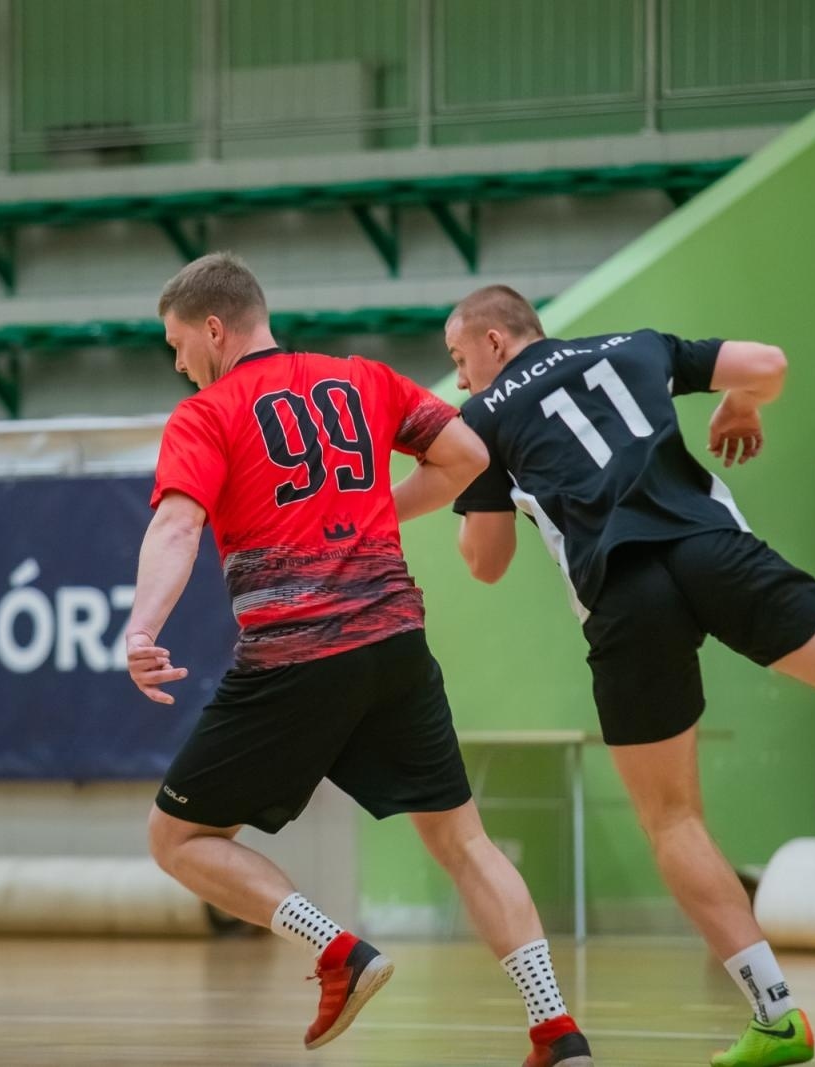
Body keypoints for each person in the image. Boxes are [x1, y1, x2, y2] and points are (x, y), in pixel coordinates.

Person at [443, 285, 815, 1067]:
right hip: (710, 548)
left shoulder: (478, 422)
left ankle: (777, 1013)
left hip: (624, 598)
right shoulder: (635, 343)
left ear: (494, 341)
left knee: (672, 820)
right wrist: (740, 406)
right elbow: (768, 364)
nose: (460, 381)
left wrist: (469, 501)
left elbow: (486, 564)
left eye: (460, 360)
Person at [125, 254, 593, 1067]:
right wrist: (381, 509)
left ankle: (335, 947)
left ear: (212, 327)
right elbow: (469, 459)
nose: (177, 363)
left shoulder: (206, 412)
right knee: (465, 843)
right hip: (395, 644)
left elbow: (175, 526)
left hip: (297, 655)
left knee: (179, 837)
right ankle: (556, 1028)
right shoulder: (360, 377)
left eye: (176, 343)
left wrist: (140, 628)